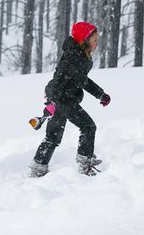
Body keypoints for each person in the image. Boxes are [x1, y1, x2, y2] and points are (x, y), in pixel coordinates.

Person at [30, 22, 111, 177]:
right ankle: (84, 163)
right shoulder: (75, 56)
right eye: (94, 40)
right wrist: (100, 94)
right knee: (88, 127)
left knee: (53, 136)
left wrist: (51, 98)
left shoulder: (74, 54)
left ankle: (38, 168)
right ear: (85, 40)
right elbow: (82, 81)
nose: (96, 44)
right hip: (64, 100)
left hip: (58, 98)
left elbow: (68, 78)